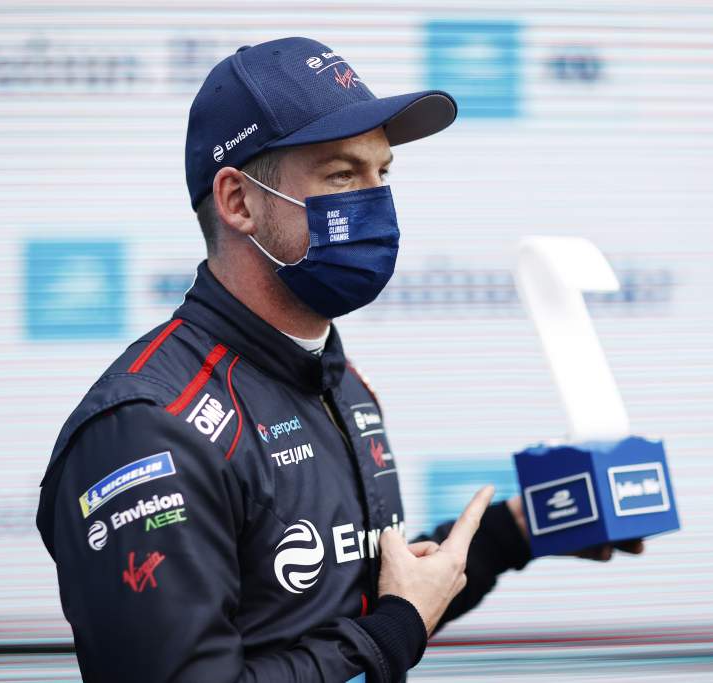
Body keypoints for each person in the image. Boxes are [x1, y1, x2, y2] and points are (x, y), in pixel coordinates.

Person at [36, 36, 643, 683]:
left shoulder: (338, 381)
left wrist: (517, 531)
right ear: (239, 201)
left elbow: (358, 605)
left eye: (382, 173)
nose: (375, 200)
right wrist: (392, 632)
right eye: (342, 175)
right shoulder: (149, 429)